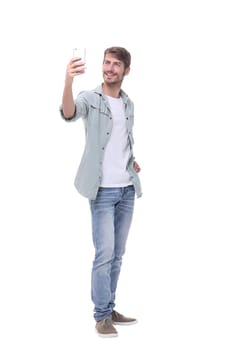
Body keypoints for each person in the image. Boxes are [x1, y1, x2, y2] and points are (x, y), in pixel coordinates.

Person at [60, 46, 142, 337]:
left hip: (127, 190)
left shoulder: (128, 103)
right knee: (104, 254)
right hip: (103, 191)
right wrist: (68, 81)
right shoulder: (89, 98)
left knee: (118, 255)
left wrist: (131, 163)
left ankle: (110, 307)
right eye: (106, 62)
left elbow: (122, 141)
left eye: (116, 64)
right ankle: (101, 316)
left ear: (126, 71)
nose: (109, 68)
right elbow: (69, 114)